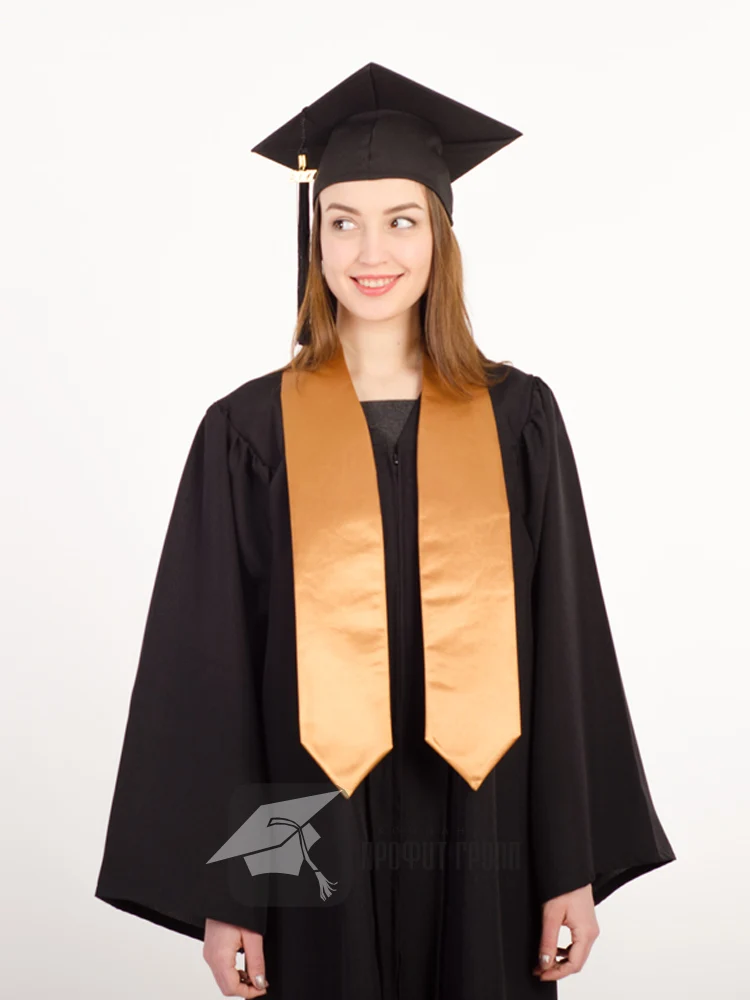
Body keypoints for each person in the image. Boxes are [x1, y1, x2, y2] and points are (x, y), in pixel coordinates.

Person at [94, 62, 676, 1000]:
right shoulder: (249, 434)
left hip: (491, 834)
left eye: (402, 220)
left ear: (441, 234)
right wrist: (234, 893)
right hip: (305, 834)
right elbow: (211, 674)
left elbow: (565, 652)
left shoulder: (518, 420)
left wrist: (568, 863)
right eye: (343, 221)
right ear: (313, 236)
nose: (372, 250)